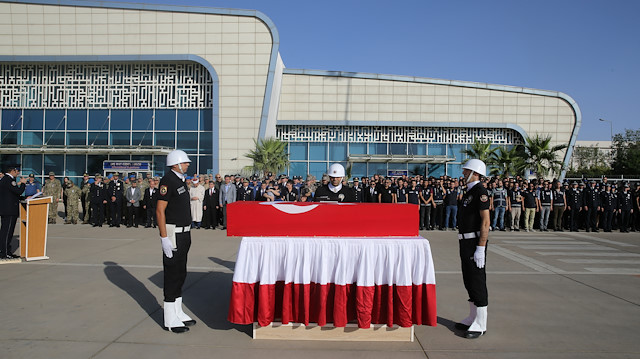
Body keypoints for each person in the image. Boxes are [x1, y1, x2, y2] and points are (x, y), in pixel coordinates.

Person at [156, 149, 196, 333]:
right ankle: (169, 318)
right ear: (176, 163)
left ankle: (178, 312)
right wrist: (164, 237)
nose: (187, 164)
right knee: (172, 275)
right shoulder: (167, 181)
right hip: (173, 234)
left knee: (181, 273)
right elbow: (160, 210)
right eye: (185, 162)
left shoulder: (180, 181)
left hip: (184, 234)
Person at [455, 159, 490, 339]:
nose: (463, 174)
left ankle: (481, 322)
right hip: (465, 242)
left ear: (475, 173)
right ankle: (472, 316)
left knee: (477, 280)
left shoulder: (480, 192)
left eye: (466, 171)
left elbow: (485, 221)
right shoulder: (469, 192)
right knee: (468, 280)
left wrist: (481, 248)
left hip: (475, 242)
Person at [0, 165, 26, 259]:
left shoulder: (4, 179)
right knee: (7, 232)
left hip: (6, 210)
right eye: (17, 171)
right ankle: (5, 253)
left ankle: (4, 251)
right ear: (13, 171)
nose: (18, 173)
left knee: (4, 232)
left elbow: (11, 194)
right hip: (9, 210)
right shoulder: (9, 180)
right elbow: (17, 191)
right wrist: (23, 184)